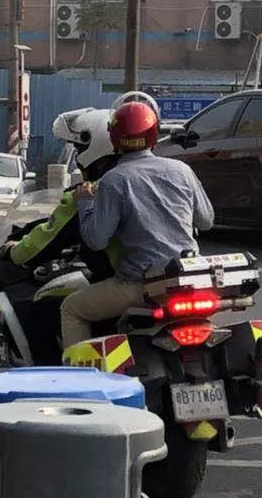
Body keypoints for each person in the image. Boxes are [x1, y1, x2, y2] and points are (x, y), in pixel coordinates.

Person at [61, 99, 214, 347]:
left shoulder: (113, 180)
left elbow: (96, 241)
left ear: (114, 139)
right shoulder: (182, 170)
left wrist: (85, 202)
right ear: (154, 134)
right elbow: (206, 221)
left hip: (140, 286)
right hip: (188, 279)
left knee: (71, 309)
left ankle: (76, 373)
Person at [0, 108, 117, 278]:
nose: (77, 158)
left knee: (65, 296)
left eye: (79, 150)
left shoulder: (88, 193)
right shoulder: (140, 177)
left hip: (119, 278)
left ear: (94, 147)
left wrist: (12, 252)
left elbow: (47, 239)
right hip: (152, 275)